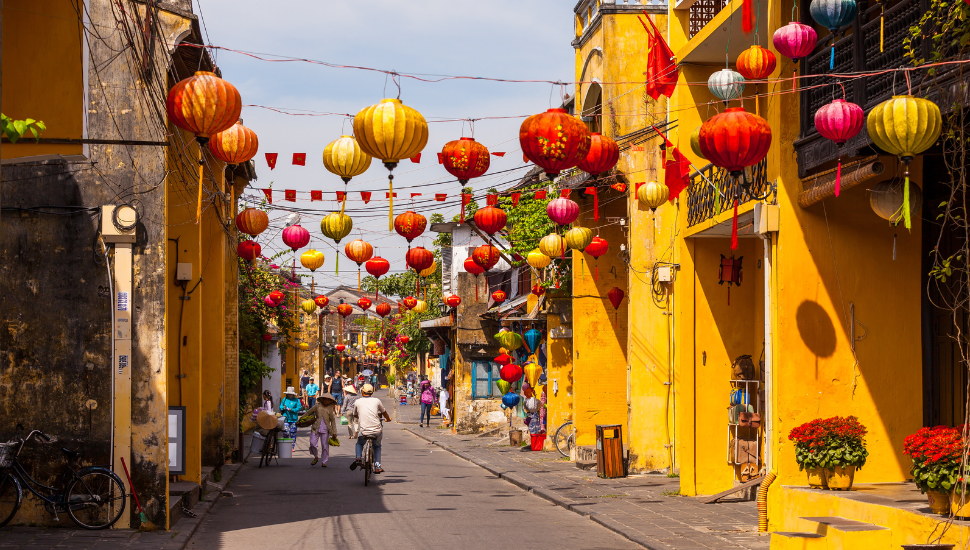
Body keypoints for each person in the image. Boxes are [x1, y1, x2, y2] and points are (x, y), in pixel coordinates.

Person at [349, 384, 391, 474]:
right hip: (376, 430)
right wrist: (388, 418)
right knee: (377, 446)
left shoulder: (358, 401)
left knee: (360, 443)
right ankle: (377, 466)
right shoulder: (377, 401)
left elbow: (355, 414)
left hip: (364, 431)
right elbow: (384, 412)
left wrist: (360, 415)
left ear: (362, 392)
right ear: (372, 392)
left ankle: (358, 457)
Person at [304, 394, 337, 467]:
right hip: (315, 428)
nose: (326, 401)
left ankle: (324, 461)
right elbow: (308, 413)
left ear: (330, 401)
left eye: (328, 400)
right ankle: (316, 456)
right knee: (312, 443)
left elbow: (333, 421)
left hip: (326, 430)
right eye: (325, 399)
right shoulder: (317, 406)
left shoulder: (330, 409)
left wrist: (334, 432)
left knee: (325, 446)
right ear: (322, 399)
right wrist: (301, 420)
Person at [279, 387, 302, 452]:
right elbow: (280, 406)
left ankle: (292, 447)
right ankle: (286, 445)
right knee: (285, 432)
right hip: (286, 418)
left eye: (290, 394)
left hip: (294, 419)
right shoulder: (285, 399)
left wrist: (292, 410)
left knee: (293, 433)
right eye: (288, 394)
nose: (289, 395)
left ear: (293, 394)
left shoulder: (297, 400)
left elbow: (299, 408)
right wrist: (282, 407)